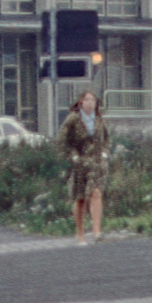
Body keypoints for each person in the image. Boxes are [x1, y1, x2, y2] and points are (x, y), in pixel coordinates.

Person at [60, 88, 109, 242]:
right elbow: (63, 140)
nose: (90, 103)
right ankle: (80, 233)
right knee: (80, 198)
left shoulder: (99, 119)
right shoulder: (73, 119)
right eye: (87, 100)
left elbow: (107, 138)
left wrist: (105, 152)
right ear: (81, 102)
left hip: (96, 163)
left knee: (96, 193)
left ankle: (96, 231)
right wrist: (73, 156)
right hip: (80, 164)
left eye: (93, 100)